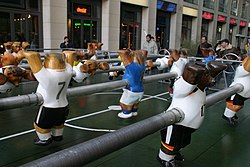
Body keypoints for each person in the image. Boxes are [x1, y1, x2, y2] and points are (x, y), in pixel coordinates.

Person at [157, 61, 227, 167]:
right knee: (171, 143)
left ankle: (175, 154)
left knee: (183, 141)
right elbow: (189, 77)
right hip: (177, 123)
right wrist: (195, 71)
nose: (212, 80)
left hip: (189, 124)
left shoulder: (200, 88)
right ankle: (165, 158)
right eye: (207, 75)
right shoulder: (183, 85)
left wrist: (210, 70)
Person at [117, 49, 147, 119]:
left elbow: (121, 52)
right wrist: (135, 52)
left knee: (123, 103)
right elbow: (145, 52)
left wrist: (128, 51)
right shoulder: (142, 65)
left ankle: (127, 113)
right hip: (140, 91)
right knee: (135, 104)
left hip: (131, 90)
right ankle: (134, 111)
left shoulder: (131, 66)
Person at [222, 55, 250, 125]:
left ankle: (231, 115)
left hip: (241, 94)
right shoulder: (241, 70)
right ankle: (228, 116)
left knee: (238, 105)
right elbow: (246, 68)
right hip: (236, 93)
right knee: (234, 106)